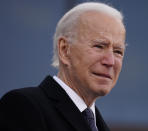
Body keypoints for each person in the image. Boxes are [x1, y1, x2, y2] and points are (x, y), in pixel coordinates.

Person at [0, 2, 126, 131]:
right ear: (64, 50)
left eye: (118, 52)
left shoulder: (99, 126)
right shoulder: (24, 107)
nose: (110, 61)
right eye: (99, 46)